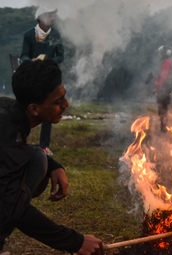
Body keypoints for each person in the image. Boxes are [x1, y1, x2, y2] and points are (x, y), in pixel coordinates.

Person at [0, 59, 104, 254]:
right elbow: (15, 206)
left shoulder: (10, 111)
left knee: (39, 157)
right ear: (34, 109)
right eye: (57, 102)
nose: (66, 104)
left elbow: (14, 155)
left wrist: (53, 164)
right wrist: (76, 242)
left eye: (63, 97)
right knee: (35, 162)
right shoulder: (4, 128)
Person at [21, 6, 64, 156]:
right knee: (25, 109)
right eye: (50, 16)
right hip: (32, 77)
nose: (53, 19)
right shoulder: (29, 35)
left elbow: (61, 56)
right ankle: (20, 142)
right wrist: (31, 61)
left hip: (49, 78)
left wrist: (47, 60)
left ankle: (44, 145)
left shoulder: (56, 35)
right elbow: (24, 55)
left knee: (49, 109)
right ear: (41, 18)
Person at [153, 45, 172, 132]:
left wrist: (157, 88)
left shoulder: (166, 62)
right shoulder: (169, 62)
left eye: (160, 53)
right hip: (166, 89)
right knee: (164, 110)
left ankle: (163, 129)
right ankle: (163, 128)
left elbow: (164, 77)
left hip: (164, 90)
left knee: (162, 110)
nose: (159, 55)